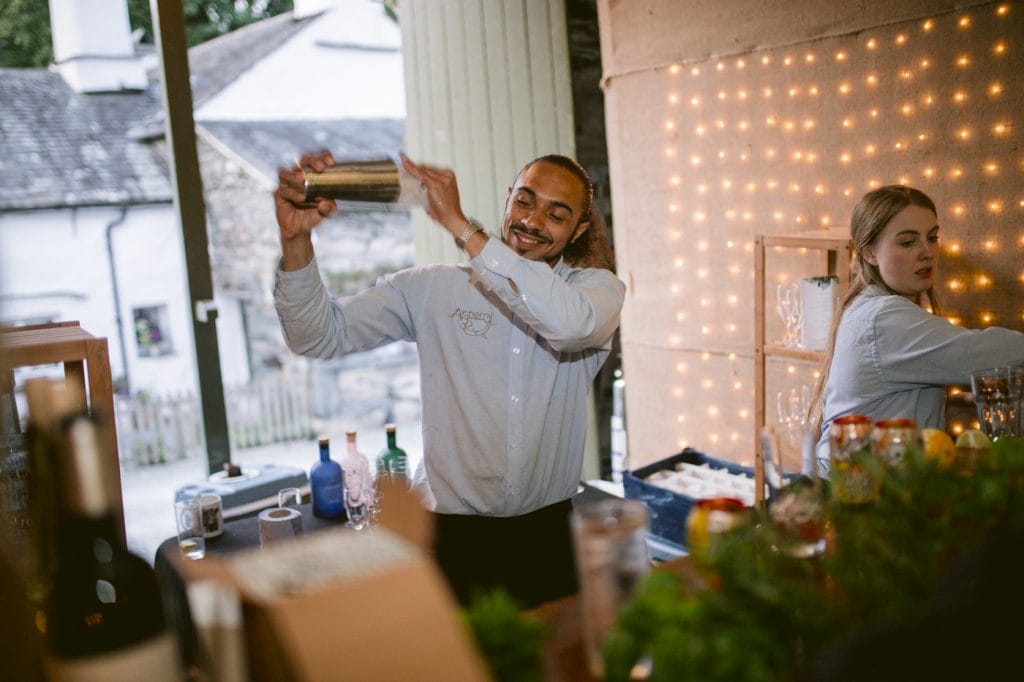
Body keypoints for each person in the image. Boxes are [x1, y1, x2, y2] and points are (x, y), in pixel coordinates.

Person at [273, 151, 624, 607]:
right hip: (451, 537)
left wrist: (459, 224)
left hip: (547, 537)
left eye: (556, 215)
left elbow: (569, 325)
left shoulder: (595, 292)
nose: (533, 221)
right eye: (525, 201)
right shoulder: (431, 288)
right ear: (508, 199)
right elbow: (318, 336)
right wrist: (295, 241)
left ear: (578, 230)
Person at [810, 185, 1024, 473]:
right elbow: (987, 354)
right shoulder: (884, 318)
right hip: (859, 489)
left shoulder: (867, 306)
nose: (927, 252)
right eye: (908, 242)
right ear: (869, 253)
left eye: (932, 238)